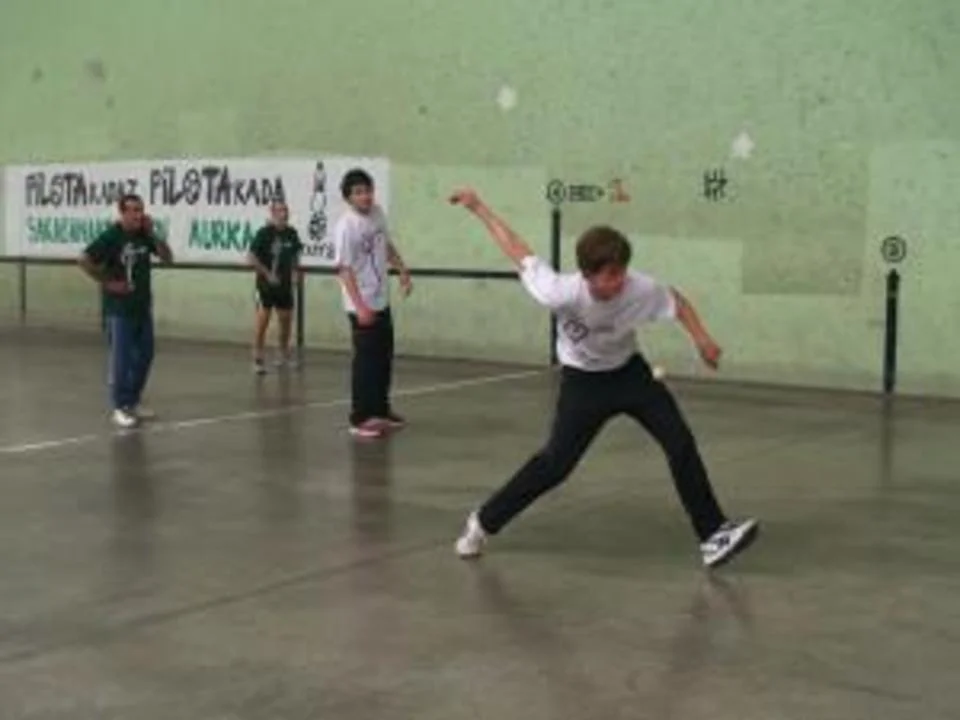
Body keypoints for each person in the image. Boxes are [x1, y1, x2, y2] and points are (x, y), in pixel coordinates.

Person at [448, 188, 758, 569]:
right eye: (611, 275)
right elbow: (516, 248)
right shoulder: (559, 292)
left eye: (622, 271)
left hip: (630, 374)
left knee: (680, 443)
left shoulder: (640, 287)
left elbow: (676, 301)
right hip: (583, 384)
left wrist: (702, 339)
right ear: (588, 274)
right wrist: (479, 207)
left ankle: (712, 535)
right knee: (555, 465)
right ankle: (482, 522)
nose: (620, 281)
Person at [78, 193, 174, 428]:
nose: (138, 215)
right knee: (121, 360)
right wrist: (108, 282)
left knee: (146, 355)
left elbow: (168, 258)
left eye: (141, 210)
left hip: (142, 306)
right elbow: (83, 259)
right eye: (133, 210)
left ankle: (133, 400)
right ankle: (119, 407)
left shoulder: (145, 235)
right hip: (119, 309)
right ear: (122, 212)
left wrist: (154, 233)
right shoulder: (112, 236)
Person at [331, 168, 413, 439]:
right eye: (358, 192)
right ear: (348, 197)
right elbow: (344, 269)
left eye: (367, 190)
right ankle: (360, 418)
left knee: (383, 358)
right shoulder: (346, 226)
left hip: (381, 299)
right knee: (365, 363)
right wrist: (360, 307)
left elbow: (385, 245)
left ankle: (380, 409)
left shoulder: (377, 214)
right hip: (361, 305)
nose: (365, 196)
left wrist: (401, 269)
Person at [247, 199, 305, 374]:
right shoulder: (264, 233)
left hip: (284, 286)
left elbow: (295, 255)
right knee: (263, 320)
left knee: (286, 320)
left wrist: (295, 272)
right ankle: (257, 358)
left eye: (285, 210)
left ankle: (282, 355)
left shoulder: (291, 233)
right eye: (280, 211)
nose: (284, 214)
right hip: (266, 286)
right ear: (272, 213)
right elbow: (251, 257)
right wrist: (267, 274)